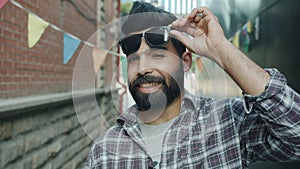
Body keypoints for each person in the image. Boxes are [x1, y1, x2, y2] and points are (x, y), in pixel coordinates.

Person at [85, 1, 300, 168]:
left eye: (157, 55)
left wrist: (220, 48)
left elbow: (295, 135)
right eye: (133, 59)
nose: (142, 68)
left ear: (185, 62)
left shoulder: (227, 123)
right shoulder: (105, 151)